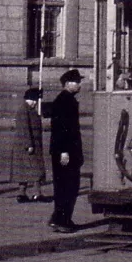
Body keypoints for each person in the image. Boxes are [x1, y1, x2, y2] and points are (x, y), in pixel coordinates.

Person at [49, 69, 84, 233]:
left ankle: (58, 218)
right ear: (68, 84)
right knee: (68, 186)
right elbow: (61, 129)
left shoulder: (65, 100)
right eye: (77, 82)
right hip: (65, 153)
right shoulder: (65, 101)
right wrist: (64, 151)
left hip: (64, 151)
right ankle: (63, 220)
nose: (79, 85)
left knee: (62, 186)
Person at [9, 87, 48, 203]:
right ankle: (37, 194)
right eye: (34, 100)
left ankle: (22, 194)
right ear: (28, 99)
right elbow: (24, 129)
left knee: (24, 170)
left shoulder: (28, 109)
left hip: (28, 145)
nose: (35, 102)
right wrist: (29, 145)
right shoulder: (24, 110)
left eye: (36, 100)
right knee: (36, 170)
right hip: (28, 146)